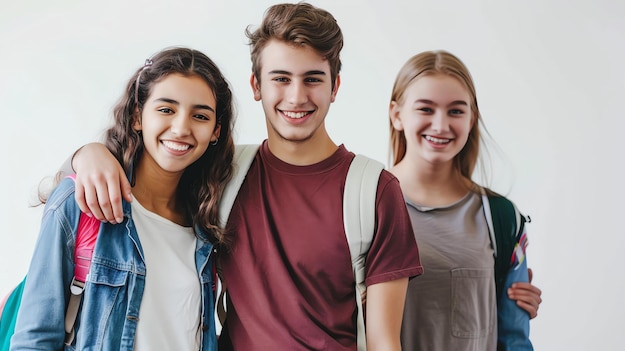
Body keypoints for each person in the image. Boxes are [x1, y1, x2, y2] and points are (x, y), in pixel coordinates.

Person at [63, 3, 423, 351]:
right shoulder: (221, 172)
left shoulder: (375, 190)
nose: (296, 97)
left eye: (312, 79)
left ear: (335, 87)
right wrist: (86, 155)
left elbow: (384, 342)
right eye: (280, 78)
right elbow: (146, 174)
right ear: (256, 85)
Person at [10, 47, 235, 350]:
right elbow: (33, 340)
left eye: (200, 115)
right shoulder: (81, 201)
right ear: (137, 116)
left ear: (215, 131)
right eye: (166, 109)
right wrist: (84, 153)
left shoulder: (208, 226)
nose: (182, 128)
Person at [388, 50, 540, 350]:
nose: (441, 126)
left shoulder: (502, 218)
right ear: (397, 115)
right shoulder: (359, 206)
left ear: (472, 120)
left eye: (456, 111)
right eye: (426, 109)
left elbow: (515, 339)